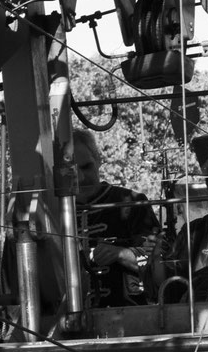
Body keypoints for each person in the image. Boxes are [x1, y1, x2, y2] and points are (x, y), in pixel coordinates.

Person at [68, 127, 160, 307]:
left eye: (86, 167)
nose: (81, 177)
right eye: (72, 170)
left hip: (129, 313)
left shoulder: (131, 203)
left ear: (98, 160)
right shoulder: (55, 214)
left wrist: (121, 254)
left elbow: (157, 261)